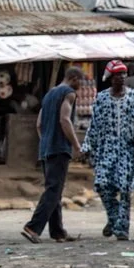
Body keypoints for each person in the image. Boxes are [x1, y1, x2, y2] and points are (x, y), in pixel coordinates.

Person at [82, 60, 134, 241]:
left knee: (125, 189)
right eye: (118, 74)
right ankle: (114, 217)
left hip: (127, 149)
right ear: (111, 78)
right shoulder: (101, 98)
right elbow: (94, 125)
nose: (122, 78)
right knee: (102, 184)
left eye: (124, 74)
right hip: (107, 149)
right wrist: (87, 145)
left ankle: (122, 229)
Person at [21, 67, 85, 244]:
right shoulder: (68, 93)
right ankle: (33, 227)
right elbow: (64, 119)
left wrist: (46, 141)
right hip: (59, 148)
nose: (80, 87)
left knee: (54, 189)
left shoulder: (49, 94)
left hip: (46, 149)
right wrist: (76, 144)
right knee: (53, 190)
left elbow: (39, 124)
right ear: (73, 78)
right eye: (80, 82)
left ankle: (58, 232)